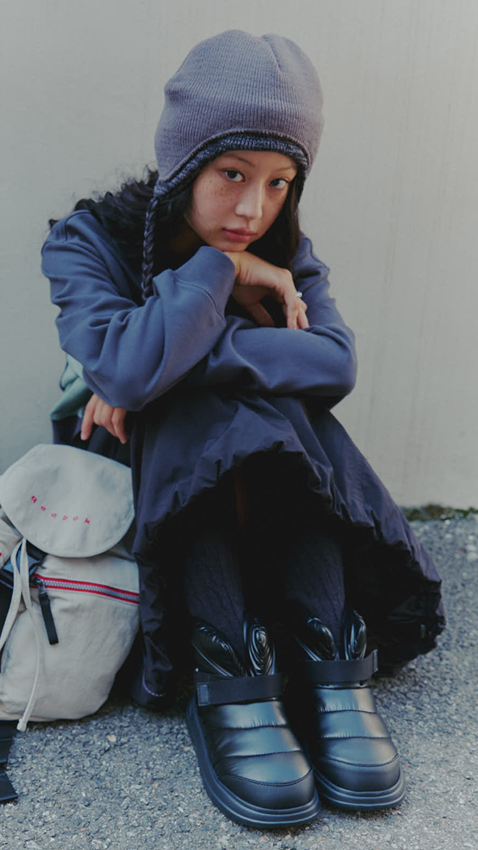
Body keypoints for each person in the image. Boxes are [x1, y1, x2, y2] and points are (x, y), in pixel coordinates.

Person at [41, 30, 445, 828]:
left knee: (253, 393)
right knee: (191, 400)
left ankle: (329, 654)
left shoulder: (289, 252)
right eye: (233, 174)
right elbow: (122, 371)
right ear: (185, 160)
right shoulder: (88, 241)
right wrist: (220, 272)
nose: (254, 210)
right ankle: (225, 662)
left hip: (267, 497)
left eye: (279, 182)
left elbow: (333, 363)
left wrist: (170, 358)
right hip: (147, 489)